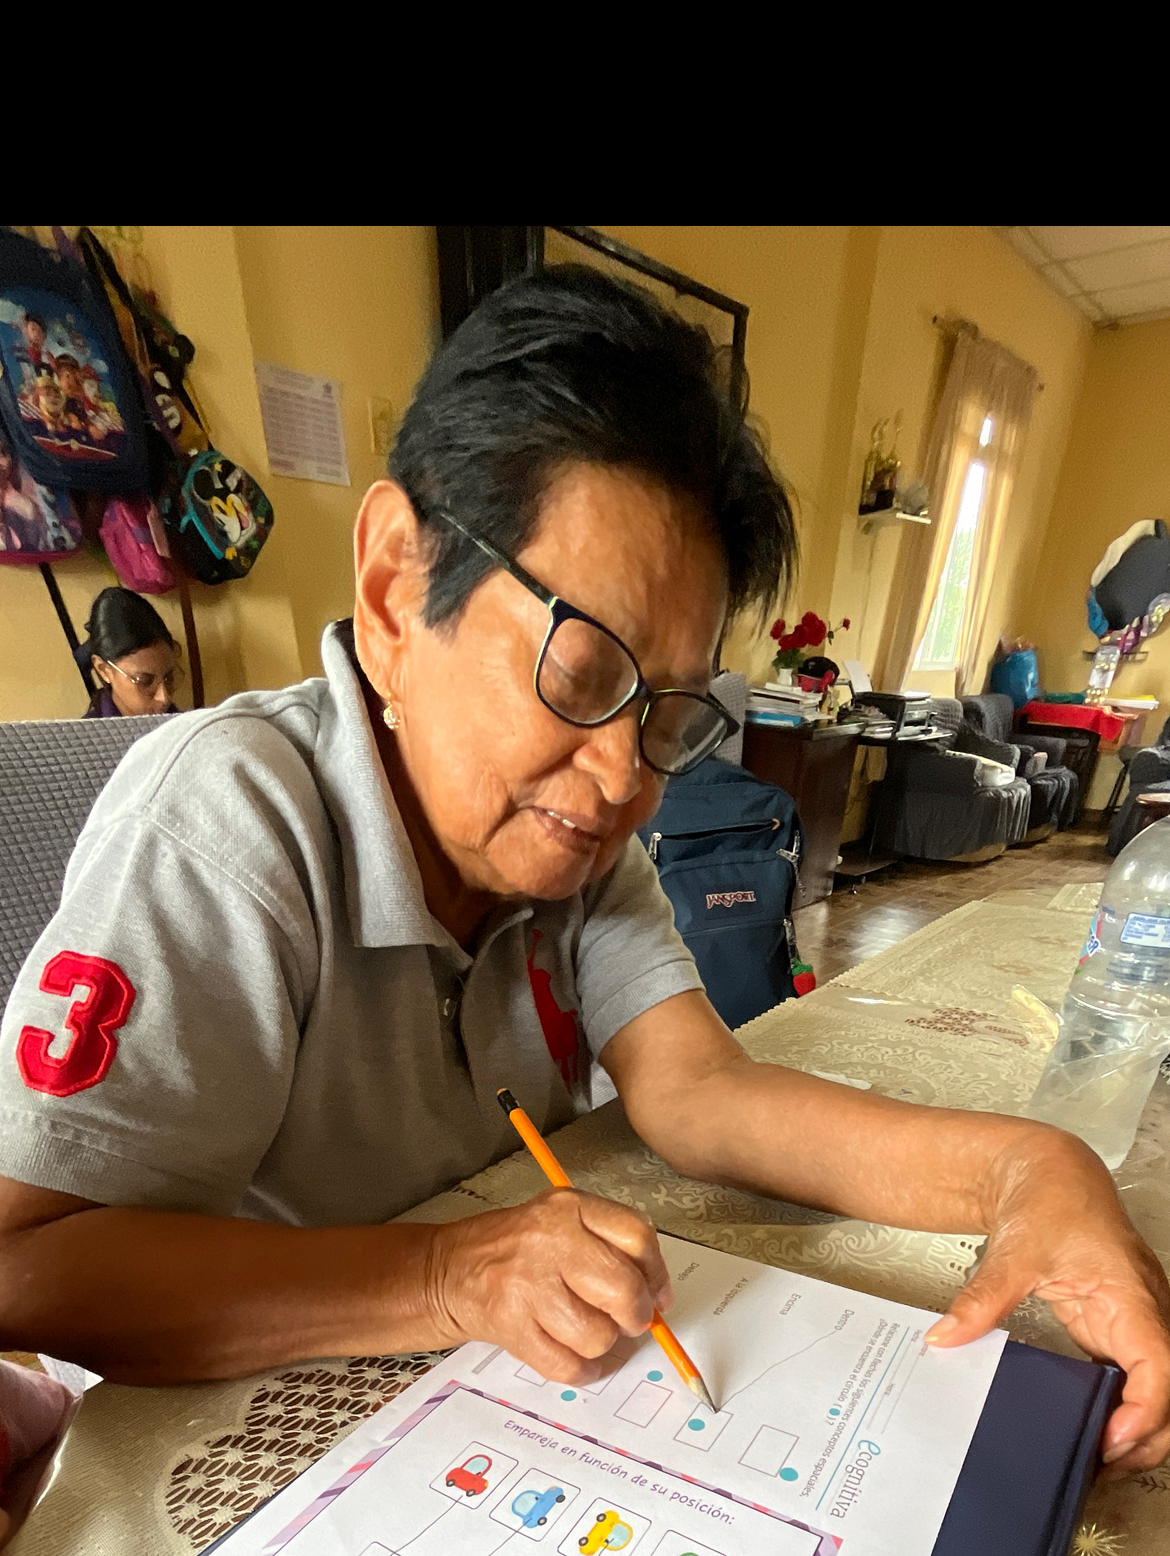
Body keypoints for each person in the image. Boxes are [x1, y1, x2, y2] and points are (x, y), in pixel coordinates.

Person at [0, 266, 1167, 1472]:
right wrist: (448, 1274)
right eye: (581, 668)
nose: (622, 778)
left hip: (476, 1410)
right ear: (396, 589)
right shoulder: (233, 823)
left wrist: (1029, 1170)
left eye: (667, 710)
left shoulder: (565, 842)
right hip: (233, 1431)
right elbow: (28, 1268)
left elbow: (699, 1091)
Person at [74, 588, 181, 718]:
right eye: (144, 681)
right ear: (104, 670)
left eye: (169, 678)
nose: (164, 698)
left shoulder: (185, 723)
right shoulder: (89, 730)